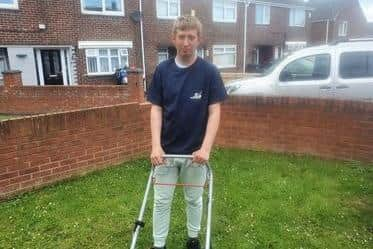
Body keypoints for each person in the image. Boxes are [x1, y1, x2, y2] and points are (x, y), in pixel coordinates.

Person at [147, 15, 227, 249]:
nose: (186, 42)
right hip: (166, 154)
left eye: (191, 37)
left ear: (198, 40)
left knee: (194, 199)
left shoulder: (209, 72)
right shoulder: (162, 71)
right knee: (162, 201)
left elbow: (215, 112)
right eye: (181, 37)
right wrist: (155, 145)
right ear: (174, 39)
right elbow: (156, 109)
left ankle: (193, 238)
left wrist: (205, 148)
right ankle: (158, 244)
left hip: (195, 155)